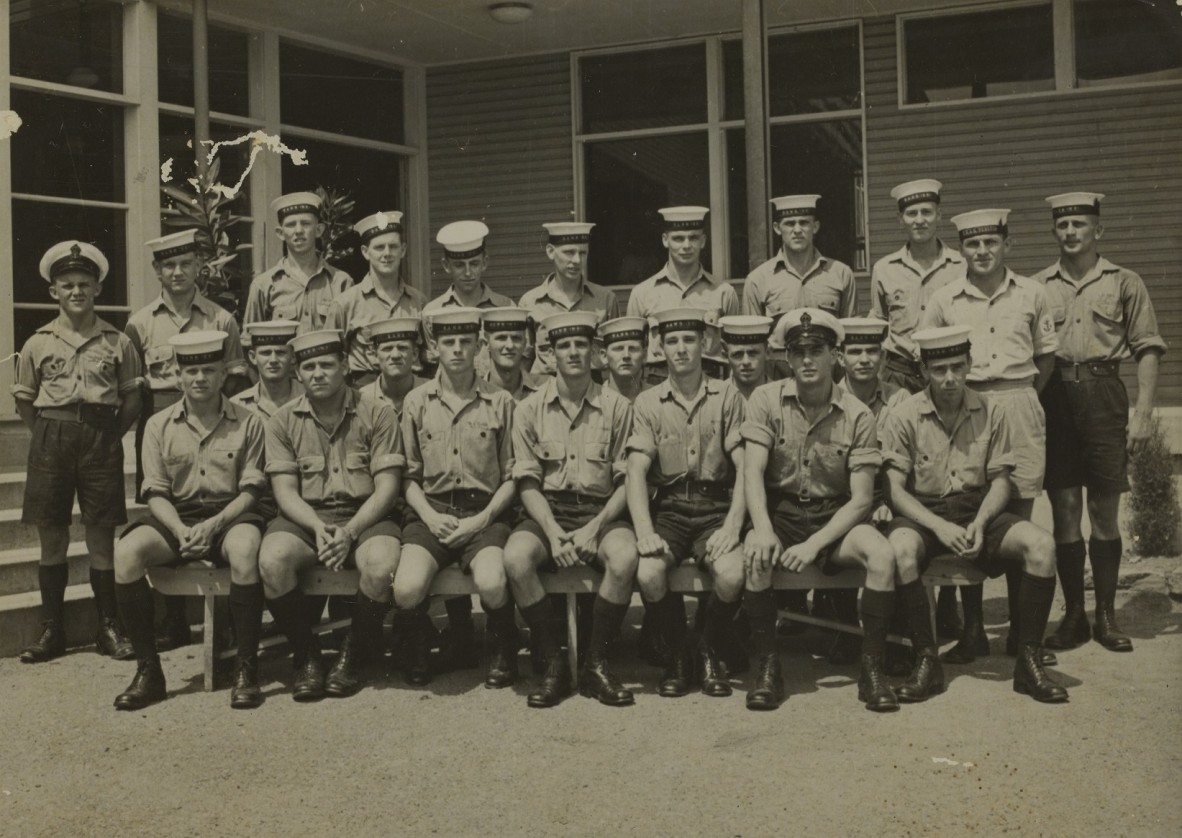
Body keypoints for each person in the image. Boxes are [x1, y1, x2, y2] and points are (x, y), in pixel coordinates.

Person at [882, 325, 1068, 703]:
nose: (949, 378)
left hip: (976, 506)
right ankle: (926, 661)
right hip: (925, 513)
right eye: (939, 370)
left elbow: (1001, 481)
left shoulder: (992, 410)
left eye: (956, 367)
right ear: (924, 371)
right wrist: (939, 527)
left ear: (969, 365)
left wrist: (981, 523)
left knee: (1042, 546)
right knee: (900, 550)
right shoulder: (904, 415)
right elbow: (895, 491)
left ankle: (1029, 664)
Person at [740, 309, 899, 712]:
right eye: (798, 351)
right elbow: (753, 472)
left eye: (817, 350)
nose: (807, 360)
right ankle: (767, 668)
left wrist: (814, 545)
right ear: (787, 358)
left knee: (881, 555)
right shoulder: (765, 400)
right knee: (756, 556)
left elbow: (862, 498)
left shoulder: (859, 414)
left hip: (835, 517)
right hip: (781, 511)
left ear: (836, 356)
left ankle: (872, 668)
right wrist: (761, 528)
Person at [921, 208, 1059, 664]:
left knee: (1016, 517)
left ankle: (1023, 634)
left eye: (990, 243)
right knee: (968, 512)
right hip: (968, 404)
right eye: (972, 245)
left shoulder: (1033, 293)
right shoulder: (945, 299)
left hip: (1018, 399)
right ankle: (974, 630)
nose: (981, 252)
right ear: (961, 249)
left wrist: (1014, 398)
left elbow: (1046, 360)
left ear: (1007, 245)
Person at [1033, 192, 1167, 653]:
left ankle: (1107, 616)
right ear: (1055, 231)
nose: (1071, 232)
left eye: (1080, 224)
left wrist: (1144, 413)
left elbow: (1148, 347)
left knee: (1103, 510)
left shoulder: (1124, 282)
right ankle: (1074, 616)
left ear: (1098, 231)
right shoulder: (1038, 286)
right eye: (1063, 224)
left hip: (1105, 393)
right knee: (1065, 509)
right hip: (1055, 398)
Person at [112, 332, 267, 710]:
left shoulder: (250, 422)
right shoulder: (157, 425)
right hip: (176, 516)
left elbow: (251, 492)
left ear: (222, 376)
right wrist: (181, 531)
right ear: (178, 376)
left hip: (231, 514)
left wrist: (213, 526)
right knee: (127, 552)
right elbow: (156, 493)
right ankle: (149, 671)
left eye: (209, 370)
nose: (200, 378)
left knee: (246, 550)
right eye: (191, 370)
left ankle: (246, 667)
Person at [13, 241, 143, 663]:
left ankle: (108, 627)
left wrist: (106, 434)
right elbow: (25, 401)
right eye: (67, 285)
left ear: (97, 289)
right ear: (54, 291)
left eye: (84, 284)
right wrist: (50, 434)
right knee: (52, 538)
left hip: (101, 439)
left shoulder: (118, 341)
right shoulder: (36, 343)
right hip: (52, 438)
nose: (76, 292)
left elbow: (131, 401)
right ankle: (53, 630)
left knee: (101, 538)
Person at [502, 312, 639, 707]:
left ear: (596, 353)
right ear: (550, 354)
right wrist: (552, 531)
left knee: (625, 556)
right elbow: (527, 482)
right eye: (564, 345)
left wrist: (595, 528)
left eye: (581, 345)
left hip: (602, 511)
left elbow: (625, 481)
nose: (574, 352)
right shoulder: (529, 409)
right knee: (515, 558)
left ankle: (597, 664)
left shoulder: (617, 407)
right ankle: (553, 664)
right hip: (548, 511)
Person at [259, 330, 404, 701]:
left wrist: (351, 532)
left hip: (366, 515)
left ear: (345, 366)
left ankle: (350, 656)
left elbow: (387, 488)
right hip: (308, 517)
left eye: (327, 364)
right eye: (309, 367)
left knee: (382, 564)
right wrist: (318, 527)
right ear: (298, 374)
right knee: (273, 560)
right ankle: (307, 656)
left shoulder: (378, 413)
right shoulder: (281, 420)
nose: (318, 373)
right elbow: (285, 492)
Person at [126, 229, 250, 649]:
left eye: (186, 264)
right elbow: (135, 387)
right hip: (160, 422)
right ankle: (172, 621)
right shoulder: (140, 322)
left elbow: (234, 378)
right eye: (169, 266)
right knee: (162, 511)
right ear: (157, 271)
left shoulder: (221, 318)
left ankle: (232, 623)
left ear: (200, 267)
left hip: (216, 418)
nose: (177, 272)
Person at [394, 309, 520, 688]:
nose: (457, 350)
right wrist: (431, 519)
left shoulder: (500, 402)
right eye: (448, 342)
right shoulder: (416, 402)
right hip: (431, 512)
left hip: (484, 514)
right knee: (406, 587)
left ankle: (503, 651)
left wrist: (479, 522)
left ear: (480, 347)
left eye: (466, 342)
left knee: (493, 580)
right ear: (434, 348)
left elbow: (512, 477)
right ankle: (420, 649)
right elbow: (408, 478)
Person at [626, 308, 747, 698]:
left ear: (705, 344)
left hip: (715, 508)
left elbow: (745, 466)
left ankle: (709, 649)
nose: (681, 349)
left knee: (730, 573)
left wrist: (731, 526)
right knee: (648, 573)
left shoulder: (727, 394)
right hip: (671, 511)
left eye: (689, 340)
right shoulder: (647, 402)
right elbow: (635, 471)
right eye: (673, 341)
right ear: (660, 347)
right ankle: (680, 652)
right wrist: (644, 531)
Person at [869, 179, 966, 394]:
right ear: (900, 219)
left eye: (927, 212)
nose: (920, 220)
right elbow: (879, 322)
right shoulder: (884, 269)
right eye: (911, 213)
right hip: (898, 373)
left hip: (945, 369)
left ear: (939, 215)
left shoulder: (961, 266)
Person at [625, 207, 738, 384]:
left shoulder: (724, 292)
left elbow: (735, 351)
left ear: (703, 241)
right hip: (658, 382)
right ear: (665, 240)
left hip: (711, 382)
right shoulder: (642, 293)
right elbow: (632, 351)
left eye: (693, 237)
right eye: (678, 238)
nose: (686, 245)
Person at [325, 210, 427, 388]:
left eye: (393, 247)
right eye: (379, 247)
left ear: (403, 250)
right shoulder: (346, 304)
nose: (387, 253)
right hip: (364, 394)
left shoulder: (418, 301)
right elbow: (330, 358)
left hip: (412, 392)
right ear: (365, 252)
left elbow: (428, 355)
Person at [741, 195, 857, 331]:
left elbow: (849, 334)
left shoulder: (841, 273)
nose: (797, 230)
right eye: (790, 224)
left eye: (804, 223)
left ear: (815, 227)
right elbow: (753, 341)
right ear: (777, 228)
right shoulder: (757, 280)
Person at [518, 222, 621, 375]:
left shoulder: (606, 299)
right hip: (544, 388)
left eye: (583, 253)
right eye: (569, 252)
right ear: (551, 252)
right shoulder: (530, 302)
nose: (577, 260)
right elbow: (524, 361)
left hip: (593, 390)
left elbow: (615, 358)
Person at [244, 192, 352, 333]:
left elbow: (352, 342)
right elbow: (250, 341)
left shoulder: (341, 283)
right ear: (280, 233)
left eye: (306, 223)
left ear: (319, 230)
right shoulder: (263, 286)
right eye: (290, 225)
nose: (299, 230)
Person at [423, 220, 515, 377]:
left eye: (474, 263)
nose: (467, 272)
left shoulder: (505, 307)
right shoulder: (432, 312)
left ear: (485, 262)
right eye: (459, 265)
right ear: (446, 265)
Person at [231, 319, 304, 422]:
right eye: (266, 353)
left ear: (293, 356)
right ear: (252, 357)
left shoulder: (309, 398)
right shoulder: (237, 406)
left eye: (280, 353)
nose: (273, 360)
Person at [482, 307, 547, 403]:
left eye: (516, 338)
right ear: (487, 343)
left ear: (525, 343)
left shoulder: (545, 389)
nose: (510, 345)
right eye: (501, 338)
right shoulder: (474, 394)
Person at [718, 315, 789, 401]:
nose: (746, 362)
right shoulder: (717, 399)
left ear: (767, 352)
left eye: (753, 353)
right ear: (726, 355)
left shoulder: (782, 398)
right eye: (737, 355)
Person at [598, 316, 649, 402]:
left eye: (633, 349)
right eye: (618, 348)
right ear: (604, 356)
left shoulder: (657, 398)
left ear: (644, 355)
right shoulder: (595, 399)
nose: (626, 355)